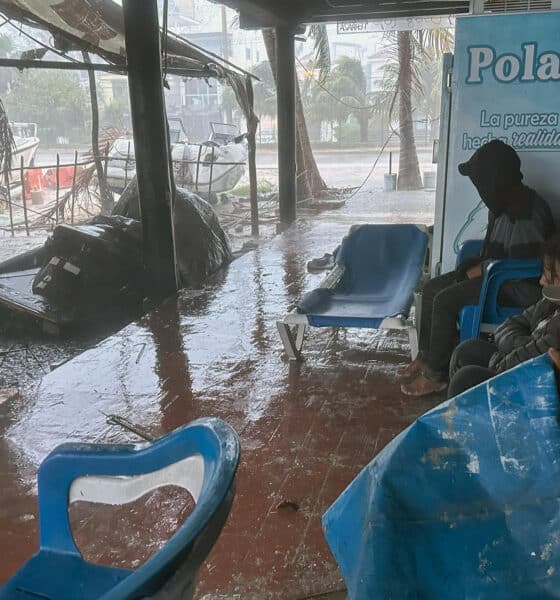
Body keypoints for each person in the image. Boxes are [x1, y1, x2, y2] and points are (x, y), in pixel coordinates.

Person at [401, 139, 554, 397]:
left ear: (497, 179)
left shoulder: (527, 212)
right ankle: (428, 356)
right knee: (432, 287)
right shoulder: (502, 203)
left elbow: (522, 267)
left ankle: (437, 374)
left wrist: (484, 271)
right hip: (494, 275)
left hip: (515, 288)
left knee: (445, 299)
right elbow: (493, 250)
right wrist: (477, 268)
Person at [447, 232, 560, 397]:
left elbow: (534, 361)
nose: (542, 281)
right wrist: (524, 344)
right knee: (466, 351)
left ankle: (465, 420)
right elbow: (508, 325)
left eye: (552, 276)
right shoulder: (550, 302)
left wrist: (499, 363)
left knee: (466, 379)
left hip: (537, 388)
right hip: (516, 362)